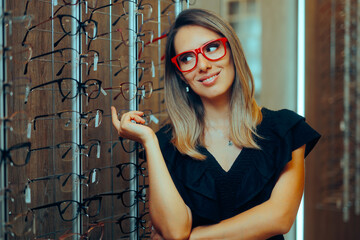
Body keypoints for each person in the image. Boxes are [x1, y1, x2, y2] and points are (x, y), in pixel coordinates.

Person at [111, 8, 321, 240]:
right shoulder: (166, 144)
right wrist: (149, 141)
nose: (202, 65)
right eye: (187, 58)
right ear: (181, 74)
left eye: (211, 48)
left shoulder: (285, 129)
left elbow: (279, 218)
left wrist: (195, 237)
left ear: (231, 50)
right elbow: (174, 230)